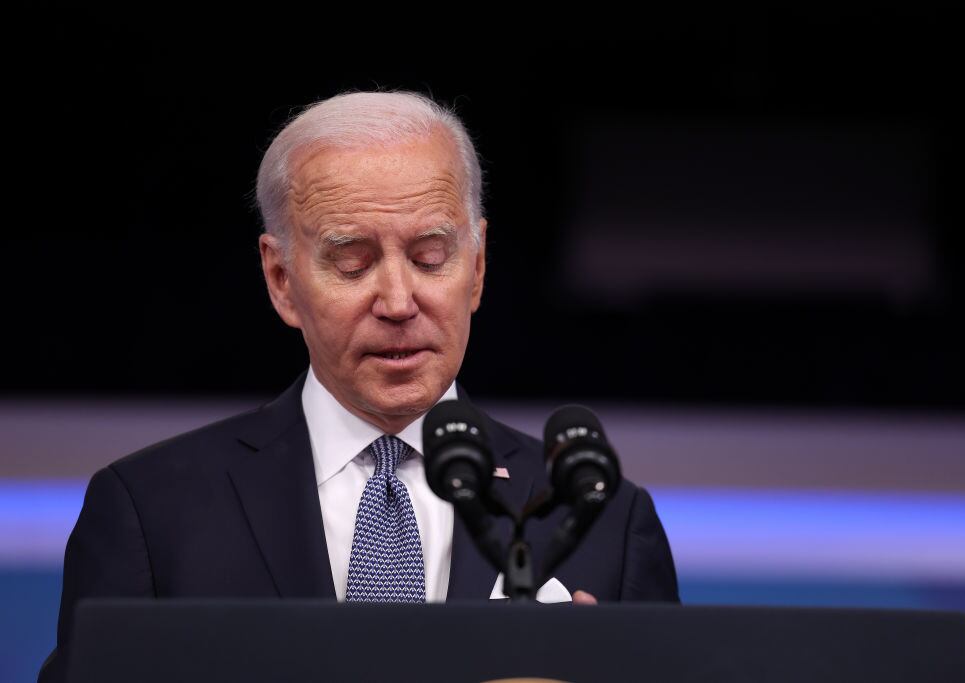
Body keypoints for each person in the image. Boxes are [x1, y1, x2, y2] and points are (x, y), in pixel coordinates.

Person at [39, 90, 678, 682]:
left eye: (431, 258)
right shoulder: (149, 512)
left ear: (477, 267)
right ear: (281, 278)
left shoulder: (605, 522)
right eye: (353, 263)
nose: (399, 301)